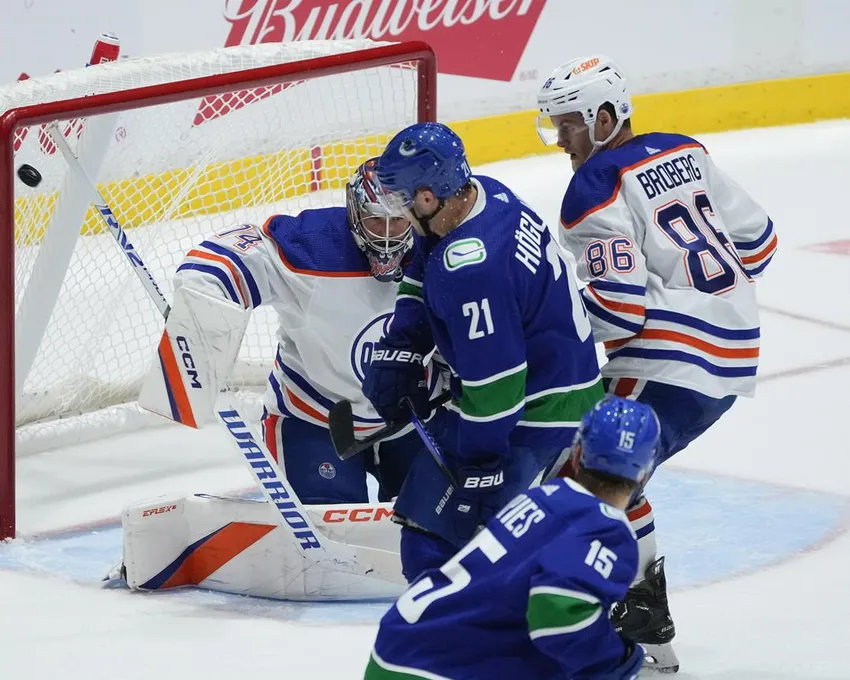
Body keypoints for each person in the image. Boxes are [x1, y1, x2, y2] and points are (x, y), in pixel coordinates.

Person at [536, 55, 778, 672]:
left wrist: (546, 330)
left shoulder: (594, 187)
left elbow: (620, 313)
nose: (560, 140)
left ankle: (607, 617)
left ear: (605, 118)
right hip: (733, 352)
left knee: (574, 473)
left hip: (667, 357)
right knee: (613, 473)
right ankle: (646, 625)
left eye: (567, 125)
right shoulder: (684, 149)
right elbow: (760, 242)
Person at [361, 122, 604, 582]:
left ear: (427, 197)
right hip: (548, 384)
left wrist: (480, 465)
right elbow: (426, 257)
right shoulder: (481, 193)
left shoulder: (474, 271)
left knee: (449, 550)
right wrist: (403, 343)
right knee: (437, 539)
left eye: (401, 200)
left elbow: (497, 395)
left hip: (536, 414)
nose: (399, 211)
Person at [172, 158, 439, 505]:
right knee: (326, 533)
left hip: (415, 417)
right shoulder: (311, 247)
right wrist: (203, 299)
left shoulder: (437, 246)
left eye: (398, 220)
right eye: (376, 220)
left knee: (442, 526)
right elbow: (222, 259)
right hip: (314, 419)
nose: (387, 235)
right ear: (355, 213)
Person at [364, 396, 659, 680]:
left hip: (400, 644)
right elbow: (558, 616)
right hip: (442, 667)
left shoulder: (541, 498)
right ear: (644, 475)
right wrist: (618, 660)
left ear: (578, 452)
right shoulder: (606, 529)